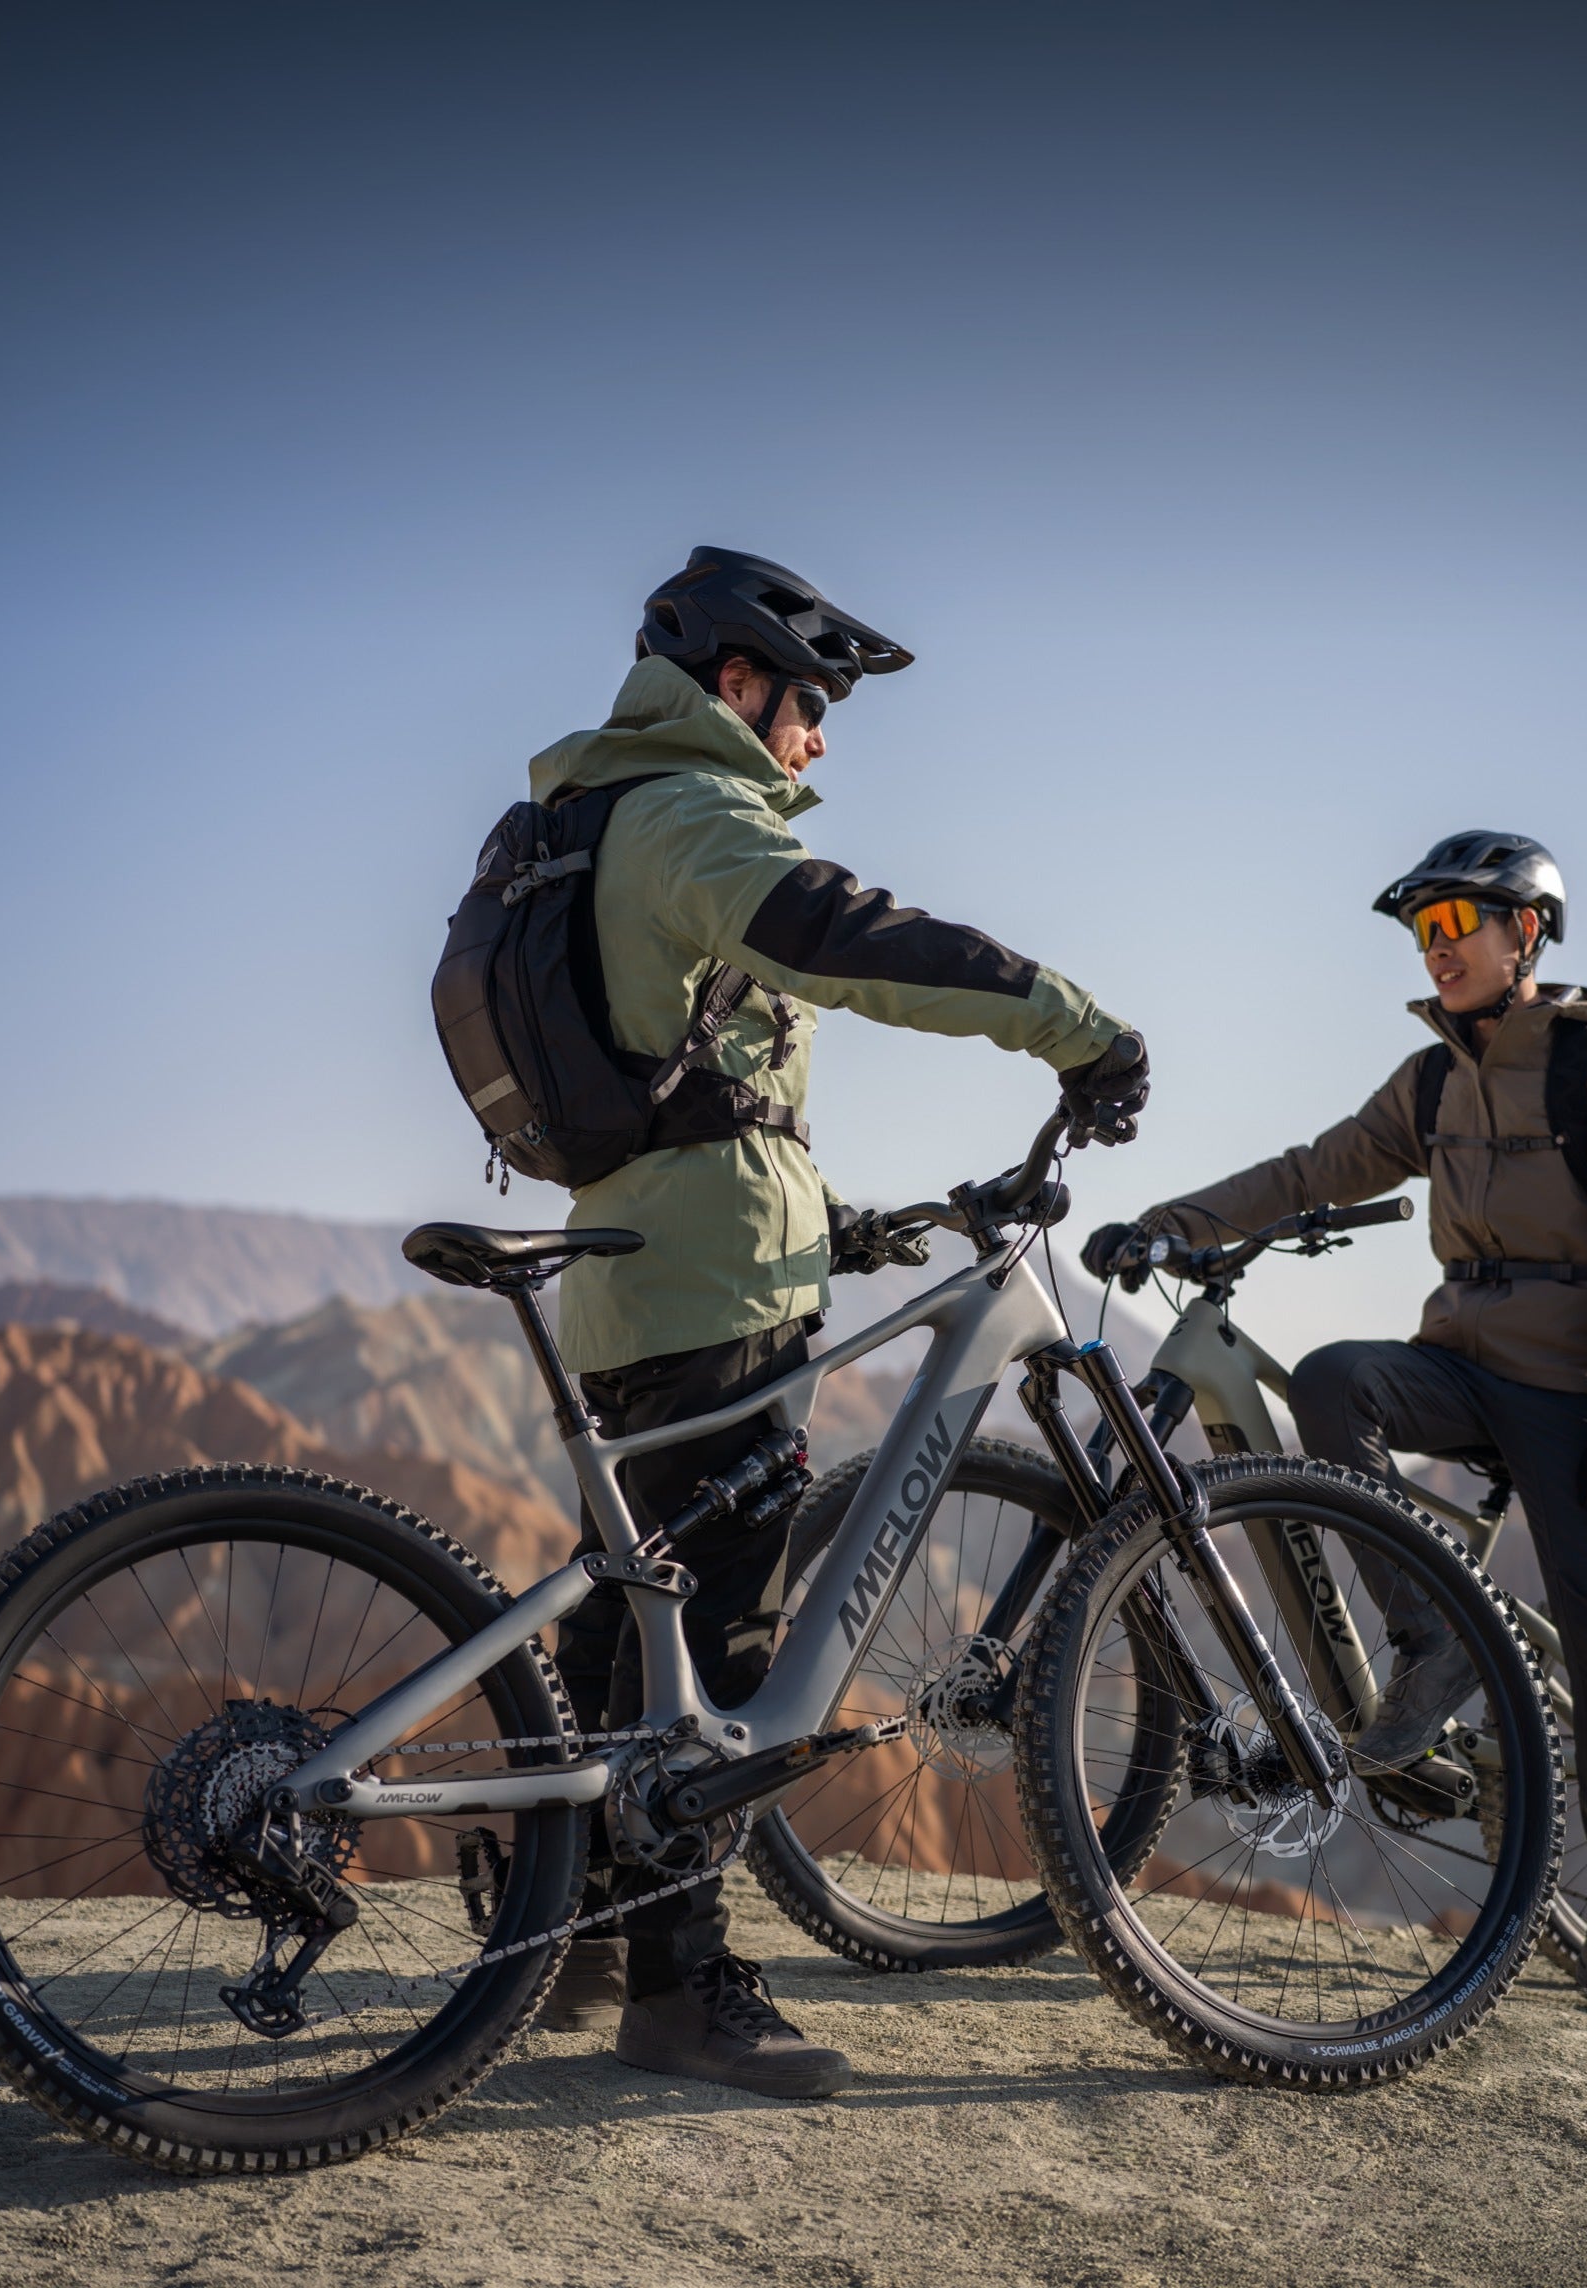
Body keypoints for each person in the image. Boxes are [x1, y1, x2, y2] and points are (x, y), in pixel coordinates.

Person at [530, 546, 1147, 2096]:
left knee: (630, 1619)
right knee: (719, 1642)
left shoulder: (601, 812)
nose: (820, 738)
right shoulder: (687, 811)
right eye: (811, 704)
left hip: (633, 1271)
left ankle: (572, 1936)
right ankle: (681, 1984)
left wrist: (838, 1220)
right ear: (737, 684)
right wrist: (1074, 1027)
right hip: (711, 1286)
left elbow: (700, 1086)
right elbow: (844, 936)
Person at [1081, 831, 1587, 2020]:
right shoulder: (1430, 1081)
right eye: (1422, 930)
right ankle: (1433, 1636)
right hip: (1454, 1368)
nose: (1436, 948)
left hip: (1571, 1394)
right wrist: (1165, 1220)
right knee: (1329, 1378)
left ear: (1526, 935)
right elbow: (1312, 1168)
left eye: (1458, 925)